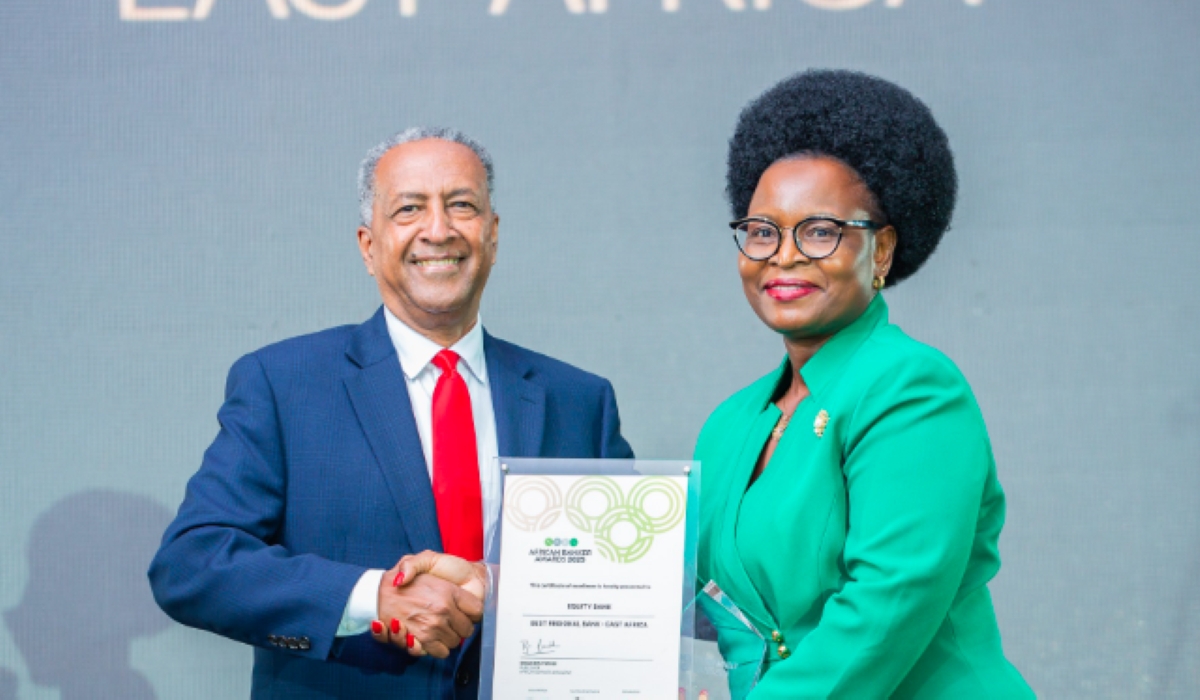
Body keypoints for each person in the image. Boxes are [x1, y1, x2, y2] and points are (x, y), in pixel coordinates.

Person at [149, 127, 633, 699]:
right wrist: (372, 595)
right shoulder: (283, 384)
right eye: (409, 209)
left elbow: (629, 582)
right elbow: (192, 564)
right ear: (368, 244)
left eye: (462, 205)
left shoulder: (578, 400)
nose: (439, 229)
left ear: (493, 235)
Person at [694, 70, 1034, 698]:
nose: (783, 255)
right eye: (762, 231)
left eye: (820, 230)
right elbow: (690, 603)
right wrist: (519, 589)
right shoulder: (730, 423)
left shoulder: (913, 390)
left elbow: (887, 605)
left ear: (880, 251)